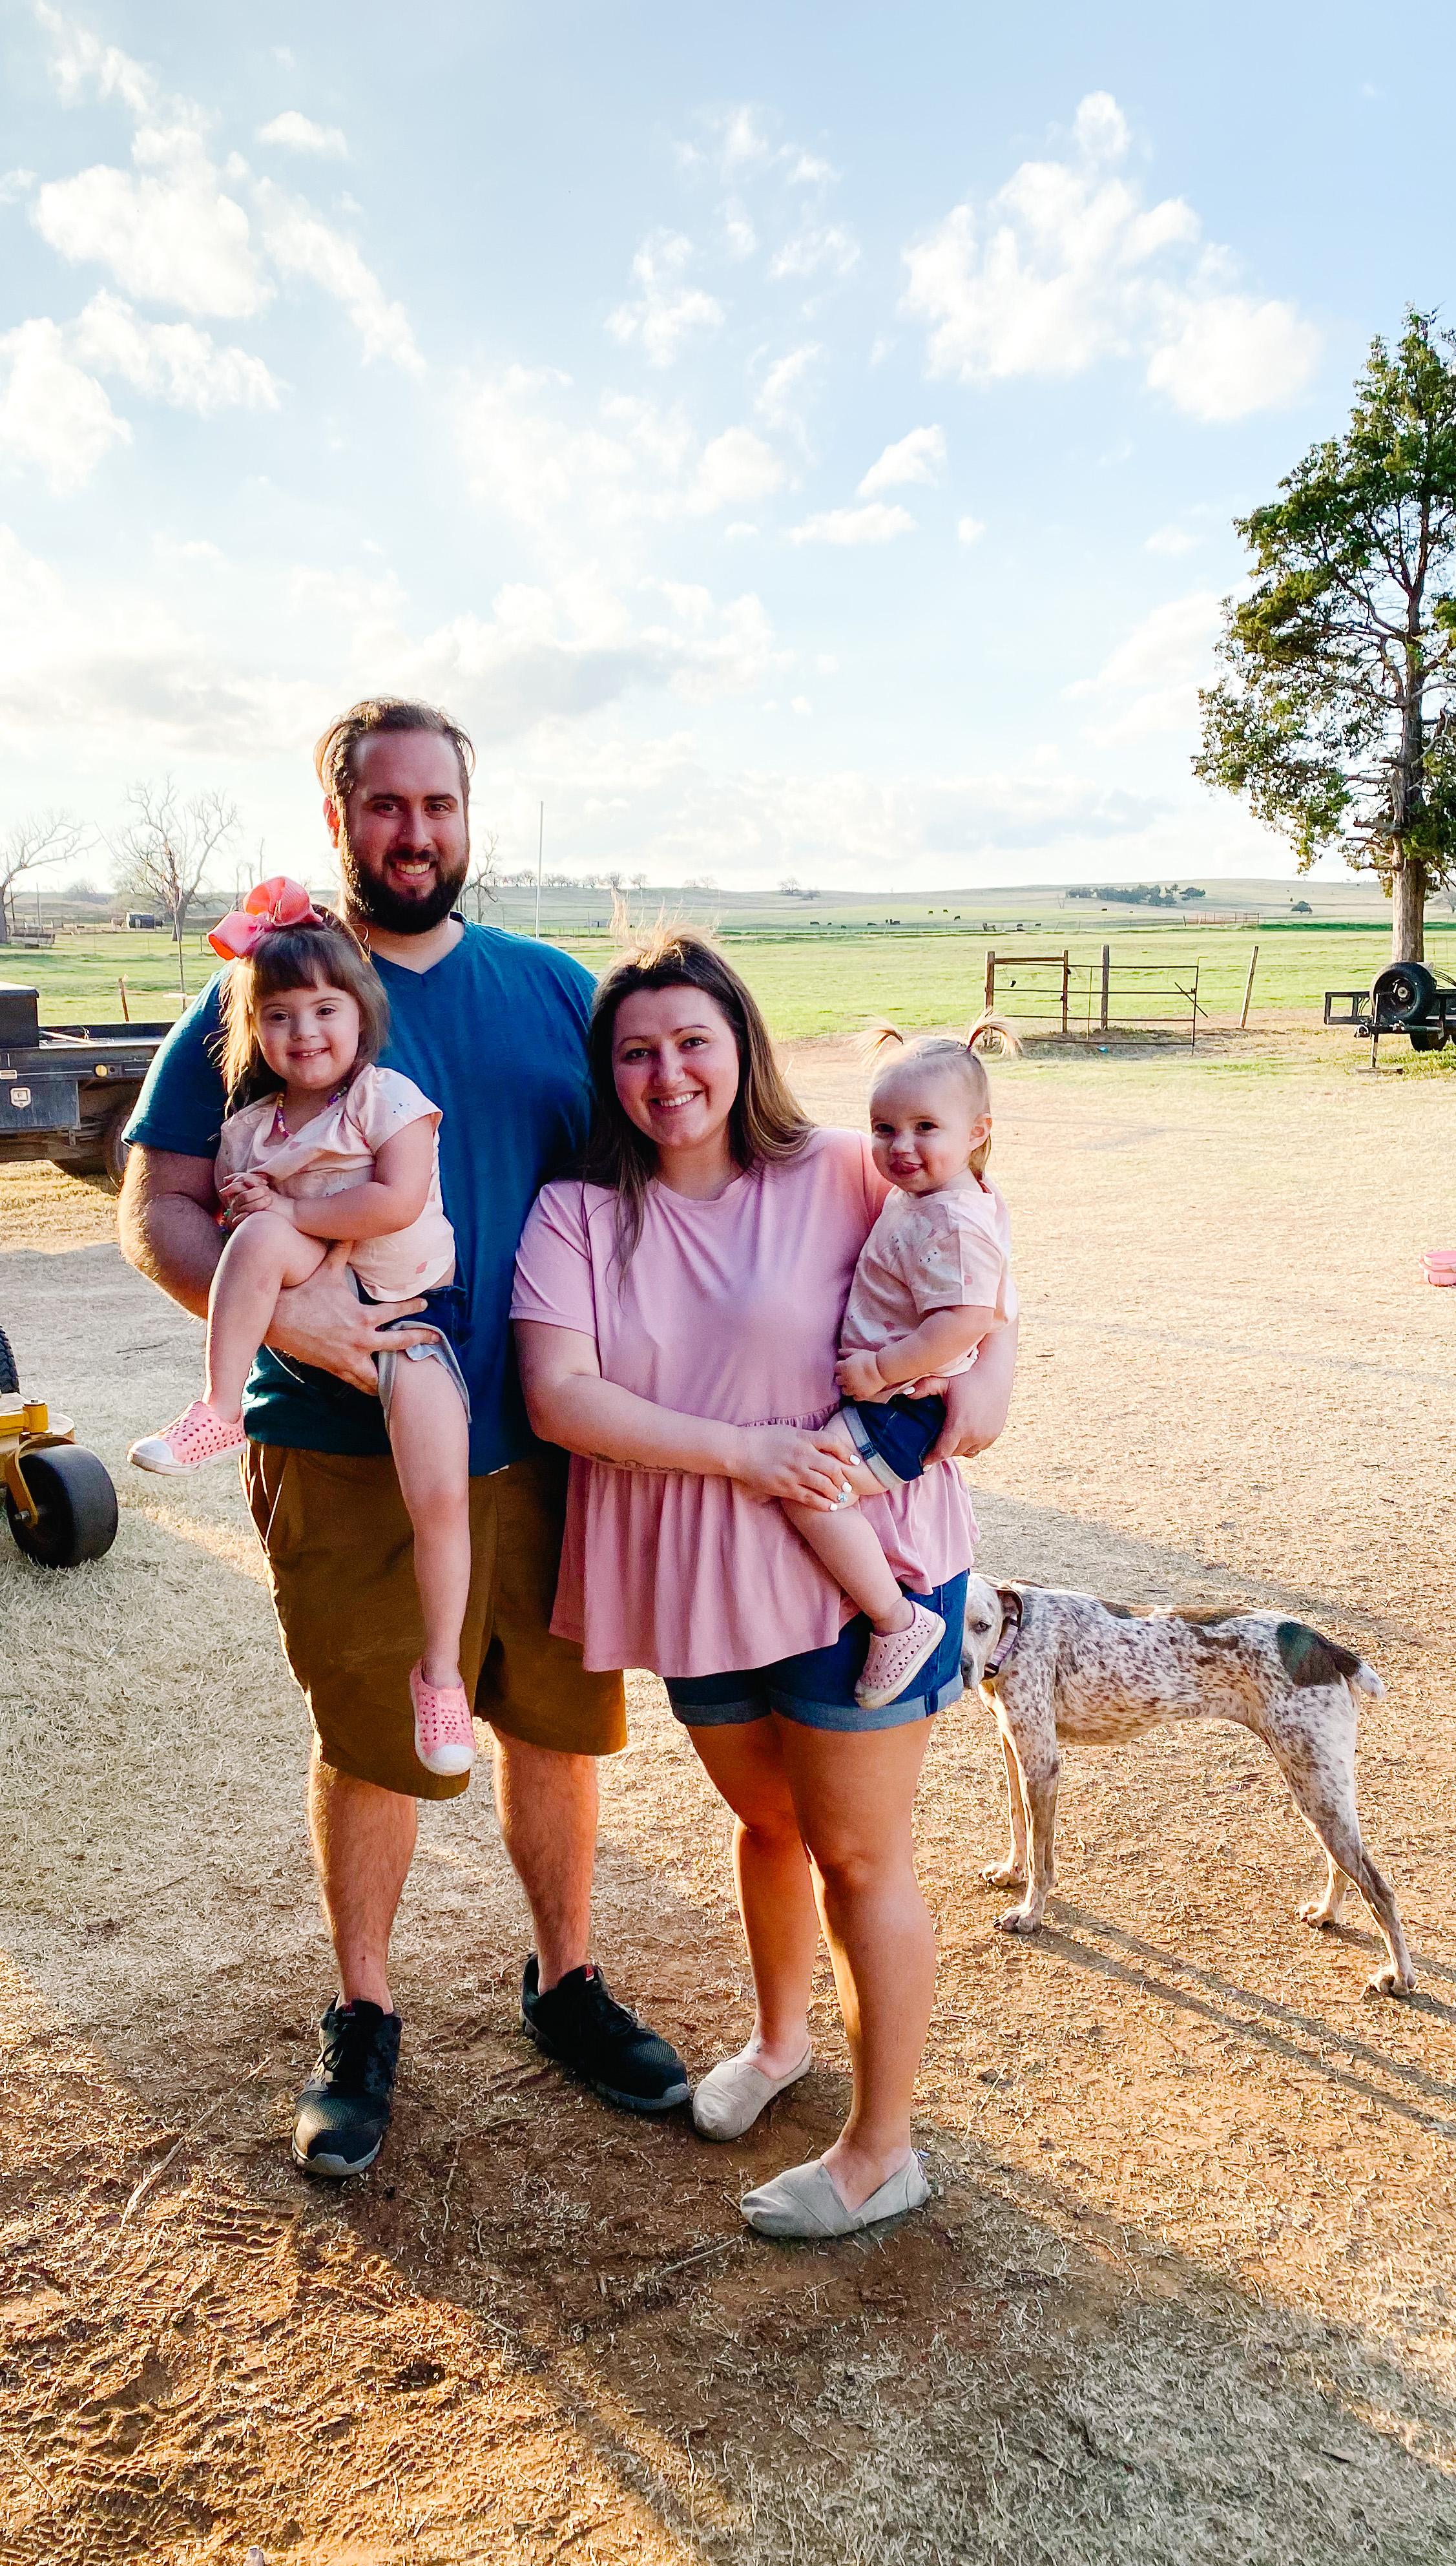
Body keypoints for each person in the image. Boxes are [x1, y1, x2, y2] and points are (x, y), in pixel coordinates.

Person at [120, 698, 687, 2182]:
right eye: (387, 805)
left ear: (467, 816)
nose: (416, 833)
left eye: (440, 805)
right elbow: (158, 1206)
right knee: (373, 1731)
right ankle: (363, 2014)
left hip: (545, 1438)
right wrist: (293, 1323)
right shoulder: (274, 987)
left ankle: (566, 1980)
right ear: (340, 819)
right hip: (338, 1442)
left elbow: (670, 1166)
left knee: (555, 1723)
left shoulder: (554, 992)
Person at [512, 933, 1015, 2240]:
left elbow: (978, 1250)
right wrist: (744, 1454)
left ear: (742, 1045)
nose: (668, 1072)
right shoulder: (576, 1213)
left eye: (694, 1041)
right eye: (637, 1051)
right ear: (607, 1071)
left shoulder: (843, 1168)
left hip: (864, 1565)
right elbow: (562, 1398)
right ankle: (783, 2039)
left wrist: (993, 1374)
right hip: (697, 1574)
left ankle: (881, 2151)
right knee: (769, 1824)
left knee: (859, 1853)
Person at [129, 885, 477, 1778]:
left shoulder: (387, 1100)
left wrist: (286, 1205)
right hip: (314, 1310)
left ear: (362, 1016)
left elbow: (395, 1199)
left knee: (439, 1498)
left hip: (410, 1318)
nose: (304, 1031)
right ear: (252, 1031)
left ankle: (440, 1677)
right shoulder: (250, 1128)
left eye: (325, 1009)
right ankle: (220, 1408)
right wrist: (255, 1202)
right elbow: (228, 1216)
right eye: (278, 1015)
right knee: (253, 1239)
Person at [777, 1031, 1014, 1709]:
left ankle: (896, 1620)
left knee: (811, 1489)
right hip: (901, 1394)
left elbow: (967, 1319)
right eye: (884, 1129)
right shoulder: (933, 1199)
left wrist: (880, 1370)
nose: (900, 1146)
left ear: (977, 1132)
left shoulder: (954, 1221)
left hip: (905, 1404)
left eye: (925, 1128)